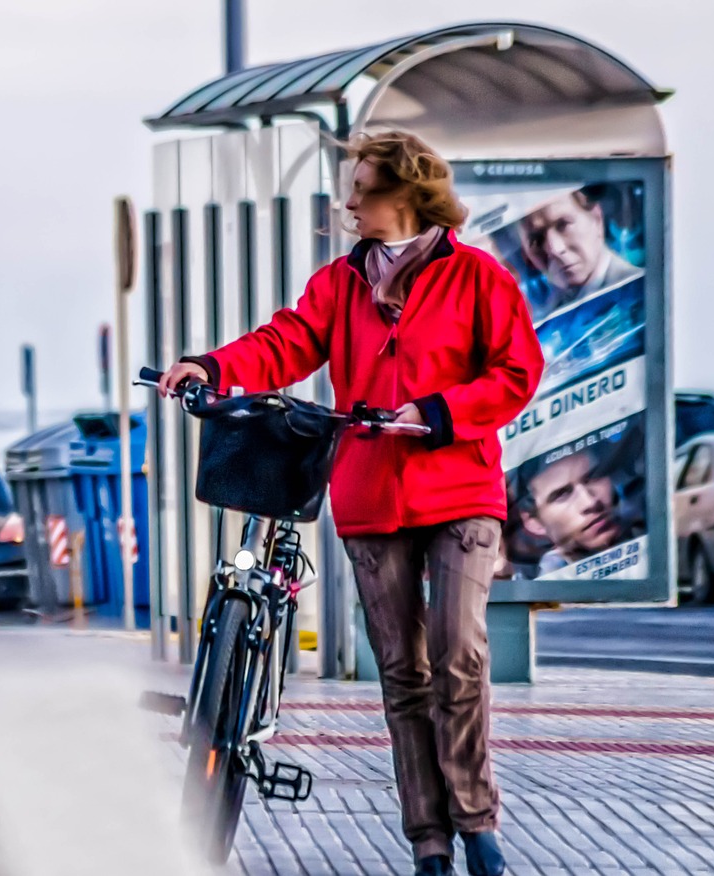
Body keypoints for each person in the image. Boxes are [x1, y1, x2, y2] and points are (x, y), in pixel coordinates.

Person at [159, 130, 544, 876]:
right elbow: (286, 342)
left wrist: (437, 412)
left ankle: (477, 824)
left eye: (363, 189)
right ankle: (428, 841)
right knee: (402, 670)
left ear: (406, 197)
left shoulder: (479, 280)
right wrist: (212, 364)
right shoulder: (339, 283)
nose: (350, 202)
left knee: (458, 658)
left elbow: (516, 371)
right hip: (370, 497)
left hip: (460, 490)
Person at [517, 188, 641, 319]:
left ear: (596, 218)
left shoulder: (641, 292)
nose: (554, 248)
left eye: (563, 225)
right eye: (537, 239)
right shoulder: (542, 316)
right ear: (526, 255)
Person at [517, 448, 634, 576]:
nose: (590, 502)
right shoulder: (544, 590)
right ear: (534, 523)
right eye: (562, 494)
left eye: (593, 477)